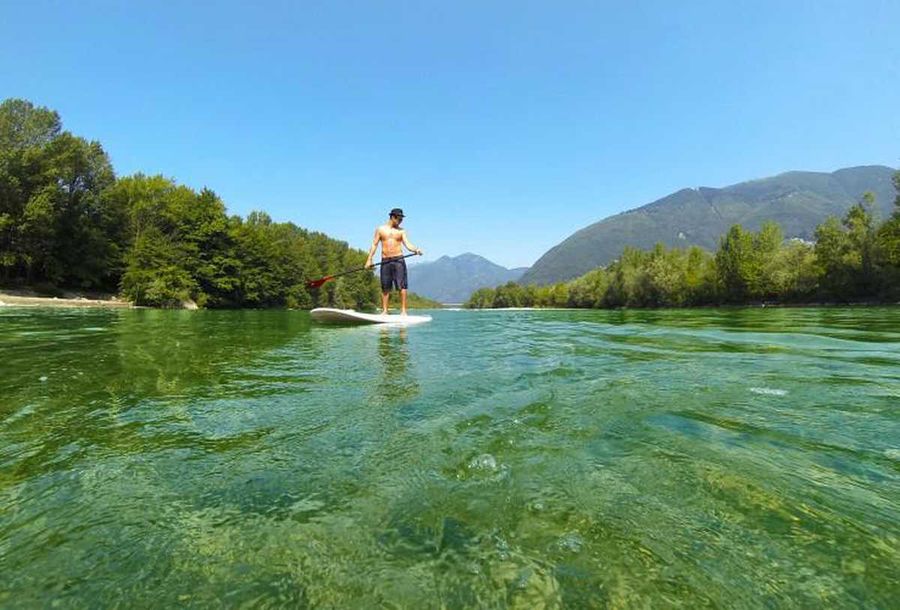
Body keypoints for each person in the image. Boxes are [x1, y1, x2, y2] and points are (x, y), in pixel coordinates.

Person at [365, 208, 423, 315]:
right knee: (385, 286)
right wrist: (369, 259)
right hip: (385, 260)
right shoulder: (380, 229)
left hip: (398, 259)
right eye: (399, 219)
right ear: (393, 217)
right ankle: (385, 311)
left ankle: (403, 311)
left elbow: (408, 244)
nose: (401, 221)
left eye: (402, 219)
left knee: (402, 286)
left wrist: (416, 249)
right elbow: (374, 244)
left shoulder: (401, 231)